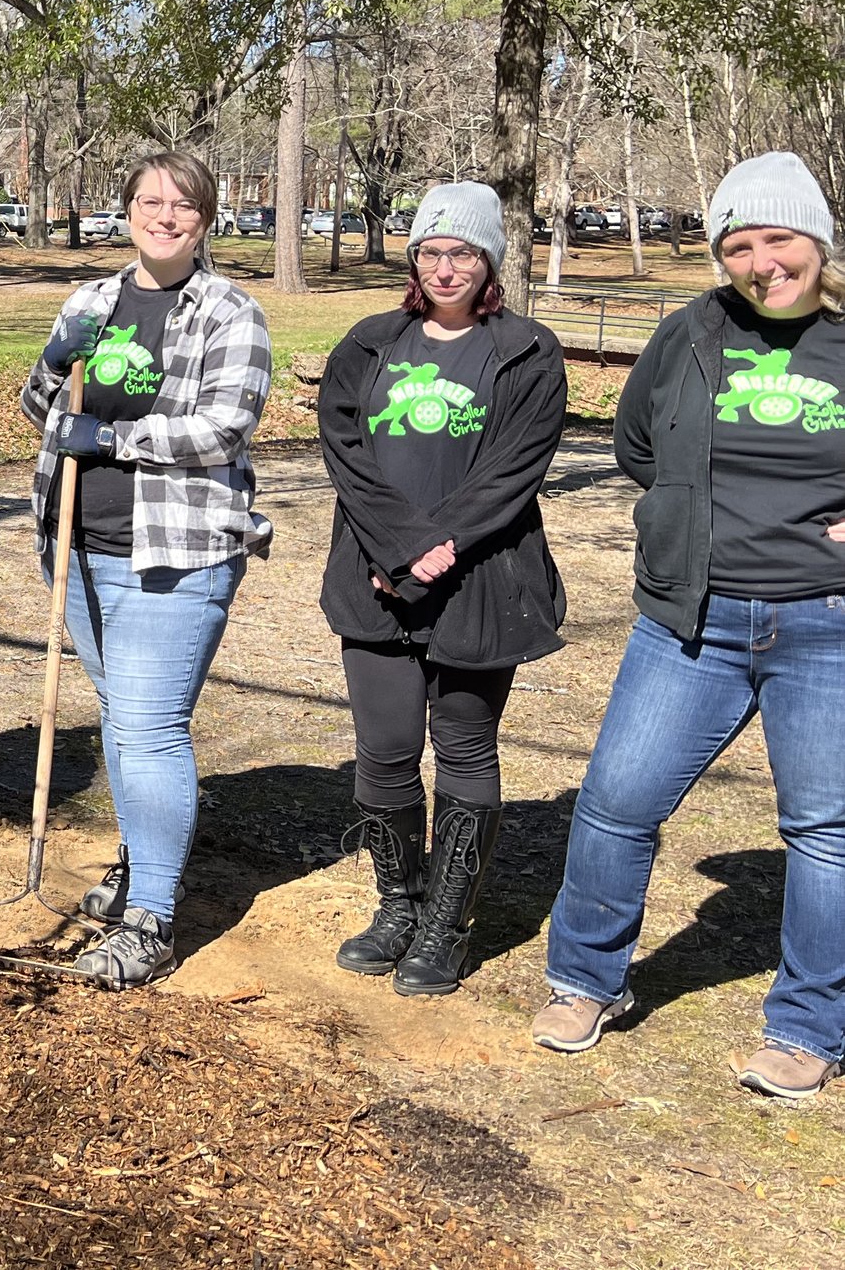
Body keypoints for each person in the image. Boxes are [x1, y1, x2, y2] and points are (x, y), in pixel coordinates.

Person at [536, 152, 845, 1100]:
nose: (763, 261)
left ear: (819, 242)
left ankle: (806, 1027)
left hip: (828, 624)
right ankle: (585, 979)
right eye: (740, 245)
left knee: (827, 831)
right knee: (618, 799)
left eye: (779, 239)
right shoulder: (688, 333)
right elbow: (637, 441)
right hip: (690, 617)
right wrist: (684, 518)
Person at [18, 149, 271, 986]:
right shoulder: (92, 299)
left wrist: (117, 439)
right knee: (121, 719)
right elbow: (37, 410)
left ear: (206, 218)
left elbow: (223, 426)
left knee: (149, 725)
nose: (164, 215)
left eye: (182, 205)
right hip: (77, 546)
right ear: (126, 209)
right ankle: (142, 861)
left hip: (175, 555)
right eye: (148, 201)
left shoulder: (233, 312)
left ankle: (153, 919)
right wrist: (57, 361)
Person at [316, 182, 567, 995]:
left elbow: (512, 473)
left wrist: (438, 546)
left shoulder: (527, 351)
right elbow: (345, 451)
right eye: (431, 251)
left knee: (463, 744)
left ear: (488, 258)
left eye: (463, 252)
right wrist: (399, 549)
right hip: (374, 580)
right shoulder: (368, 343)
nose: (446, 266)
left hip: (481, 582)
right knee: (384, 749)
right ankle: (399, 901)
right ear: (414, 258)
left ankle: (445, 924)